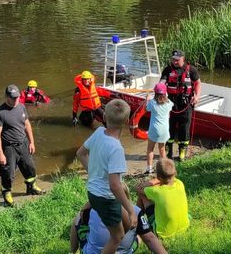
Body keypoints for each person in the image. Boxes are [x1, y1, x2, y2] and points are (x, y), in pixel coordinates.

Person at [76, 99, 136, 254]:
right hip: (105, 198)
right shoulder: (116, 148)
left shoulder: (98, 132)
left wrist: (94, 174)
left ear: (104, 118)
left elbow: (81, 153)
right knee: (117, 237)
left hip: (94, 193)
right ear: (127, 121)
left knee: (129, 225)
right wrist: (130, 209)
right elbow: (115, 186)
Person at [69, 184, 167, 254]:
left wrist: (92, 203)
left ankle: (72, 251)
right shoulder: (136, 211)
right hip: (125, 250)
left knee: (77, 219)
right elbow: (150, 238)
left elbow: (82, 215)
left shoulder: (92, 211)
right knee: (139, 234)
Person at [0, 85, 42, 207]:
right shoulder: (0, 113)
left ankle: (31, 187)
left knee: (30, 167)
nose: (16, 100)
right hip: (9, 148)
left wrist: (31, 142)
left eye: (17, 97)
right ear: (6, 97)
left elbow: (27, 125)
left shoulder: (21, 107)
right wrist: (0, 154)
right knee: (8, 174)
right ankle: (7, 194)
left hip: (23, 143)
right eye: (13, 98)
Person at [160, 50, 201, 161]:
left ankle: (182, 151)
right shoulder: (167, 70)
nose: (175, 62)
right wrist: (160, 92)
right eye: (173, 59)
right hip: (170, 105)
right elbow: (162, 82)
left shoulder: (191, 70)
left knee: (184, 128)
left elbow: (197, 83)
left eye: (177, 60)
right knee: (169, 128)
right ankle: (169, 151)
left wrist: (196, 96)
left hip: (186, 104)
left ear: (183, 59)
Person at [136, 159, 189, 238]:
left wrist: (149, 183)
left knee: (142, 195)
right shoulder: (180, 183)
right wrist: (156, 182)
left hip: (163, 233)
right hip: (184, 227)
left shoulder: (157, 191)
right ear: (175, 173)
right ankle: (138, 220)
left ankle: (137, 221)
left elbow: (138, 189)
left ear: (158, 177)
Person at [144, 83, 174, 174]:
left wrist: (147, 99)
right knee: (162, 149)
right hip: (164, 131)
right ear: (165, 94)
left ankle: (149, 169)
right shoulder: (169, 103)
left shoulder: (152, 103)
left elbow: (146, 109)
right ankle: (164, 169)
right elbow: (171, 105)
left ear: (155, 93)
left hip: (154, 130)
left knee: (150, 149)